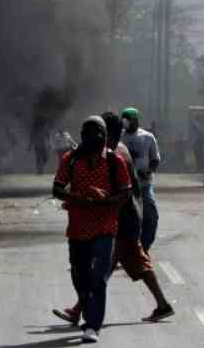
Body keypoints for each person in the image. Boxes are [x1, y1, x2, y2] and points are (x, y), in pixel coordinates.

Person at [54, 113, 174, 329]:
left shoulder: (115, 155)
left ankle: (79, 311)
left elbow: (125, 192)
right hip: (125, 218)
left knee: (101, 270)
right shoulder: (114, 152)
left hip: (120, 220)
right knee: (137, 263)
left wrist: (93, 199)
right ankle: (163, 304)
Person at [51, 117, 132, 343]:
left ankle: (92, 325)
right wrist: (79, 196)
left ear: (104, 136)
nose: (91, 140)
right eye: (87, 134)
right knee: (80, 275)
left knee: (98, 277)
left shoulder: (116, 161)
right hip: (77, 227)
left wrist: (103, 199)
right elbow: (57, 189)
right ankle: (86, 308)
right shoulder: (71, 160)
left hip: (105, 226)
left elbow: (125, 193)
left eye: (96, 134)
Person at [121, 107, 161, 252]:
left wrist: (149, 171)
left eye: (129, 119)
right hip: (124, 186)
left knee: (150, 217)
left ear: (136, 120)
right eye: (124, 119)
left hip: (144, 185)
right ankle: (123, 249)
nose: (126, 122)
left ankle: (144, 248)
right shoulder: (118, 137)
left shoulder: (148, 137)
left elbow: (155, 159)